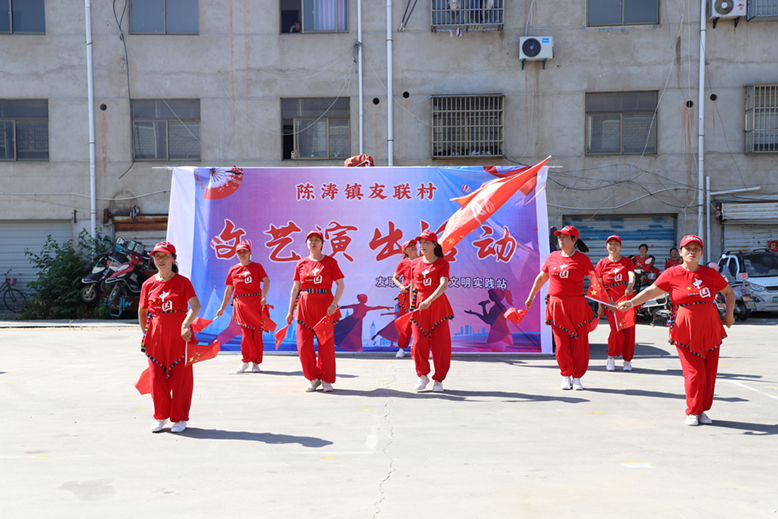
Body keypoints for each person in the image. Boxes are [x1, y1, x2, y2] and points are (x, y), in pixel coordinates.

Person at [617, 235, 735, 426]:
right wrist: (631, 302)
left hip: (711, 327)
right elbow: (650, 291)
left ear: (702, 252)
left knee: (709, 372)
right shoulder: (672, 273)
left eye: (696, 249)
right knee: (695, 372)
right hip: (685, 328)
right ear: (680, 252)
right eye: (687, 249)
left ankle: (702, 409)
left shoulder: (710, 274)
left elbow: (729, 292)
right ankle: (692, 411)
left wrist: (729, 315)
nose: (692, 252)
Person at [138, 242, 201, 434]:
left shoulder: (183, 282)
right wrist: (146, 334)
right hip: (156, 338)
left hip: (180, 337)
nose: (161, 260)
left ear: (173, 259)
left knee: (181, 379)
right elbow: (142, 312)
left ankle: (180, 417)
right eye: (157, 256)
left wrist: (185, 324)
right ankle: (160, 416)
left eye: (165, 256)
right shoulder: (148, 284)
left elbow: (195, 306)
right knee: (157, 378)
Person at [525, 226, 596, 391]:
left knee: (579, 344)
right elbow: (542, 277)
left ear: (574, 240)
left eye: (565, 237)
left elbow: (595, 279)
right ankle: (565, 375)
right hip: (556, 305)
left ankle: (577, 377)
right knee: (561, 344)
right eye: (559, 237)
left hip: (577, 306)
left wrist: (602, 302)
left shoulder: (582, 259)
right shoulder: (553, 257)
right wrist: (531, 296)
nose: (561, 240)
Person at [285, 230, 345, 392]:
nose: (313, 242)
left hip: (325, 307)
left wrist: (334, 304)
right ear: (306, 244)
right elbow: (295, 288)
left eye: (317, 240)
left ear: (322, 244)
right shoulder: (301, 263)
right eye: (310, 240)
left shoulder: (330, 262)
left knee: (325, 345)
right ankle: (313, 378)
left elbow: (340, 284)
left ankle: (326, 379)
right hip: (304, 308)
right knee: (303, 345)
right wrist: (290, 310)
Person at [215, 239, 270, 374]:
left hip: (256, 303)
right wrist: (222, 307)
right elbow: (228, 290)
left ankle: (256, 362)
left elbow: (267, 280)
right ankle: (245, 361)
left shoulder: (257, 267)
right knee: (245, 335)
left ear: (250, 252)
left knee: (257, 334)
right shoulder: (233, 269)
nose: (242, 254)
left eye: (244, 252)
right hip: (241, 304)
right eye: (239, 252)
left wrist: (264, 296)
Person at [409, 230, 454, 392]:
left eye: (426, 242)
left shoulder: (442, 264)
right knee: (418, 343)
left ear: (435, 244)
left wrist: (429, 300)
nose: (422, 246)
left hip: (438, 309)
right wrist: (411, 307)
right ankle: (422, 376)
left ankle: (438, 380)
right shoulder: (414, 263)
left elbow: (443, 285)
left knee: (440, 346)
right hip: (419, 309)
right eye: (420, 243)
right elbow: (412, 287)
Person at [595, 235, 636, 372]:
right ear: (606, 246)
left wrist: (630, 285)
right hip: (610, 301)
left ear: (620, 246)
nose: (613, 246)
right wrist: (603, 304)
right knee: (616, 331)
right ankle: (611, 357)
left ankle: (627, 360)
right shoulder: (602, 264)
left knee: (629, 332)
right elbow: (599, 286)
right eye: (610, 244)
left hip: (626, 299)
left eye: (616, 244)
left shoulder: (627, 261)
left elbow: (631, 275)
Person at [391, 239, 418, 358]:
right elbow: (395, 277)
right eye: (409, 246)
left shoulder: (424, 260)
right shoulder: (403, 263)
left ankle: (423, 349)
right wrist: (401, 286)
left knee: (422, 322)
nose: (413, 247)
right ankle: (402, 348)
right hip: (407, 297)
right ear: (405, 251)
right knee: (406, 322)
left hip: (421, 295)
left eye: (413, 245)